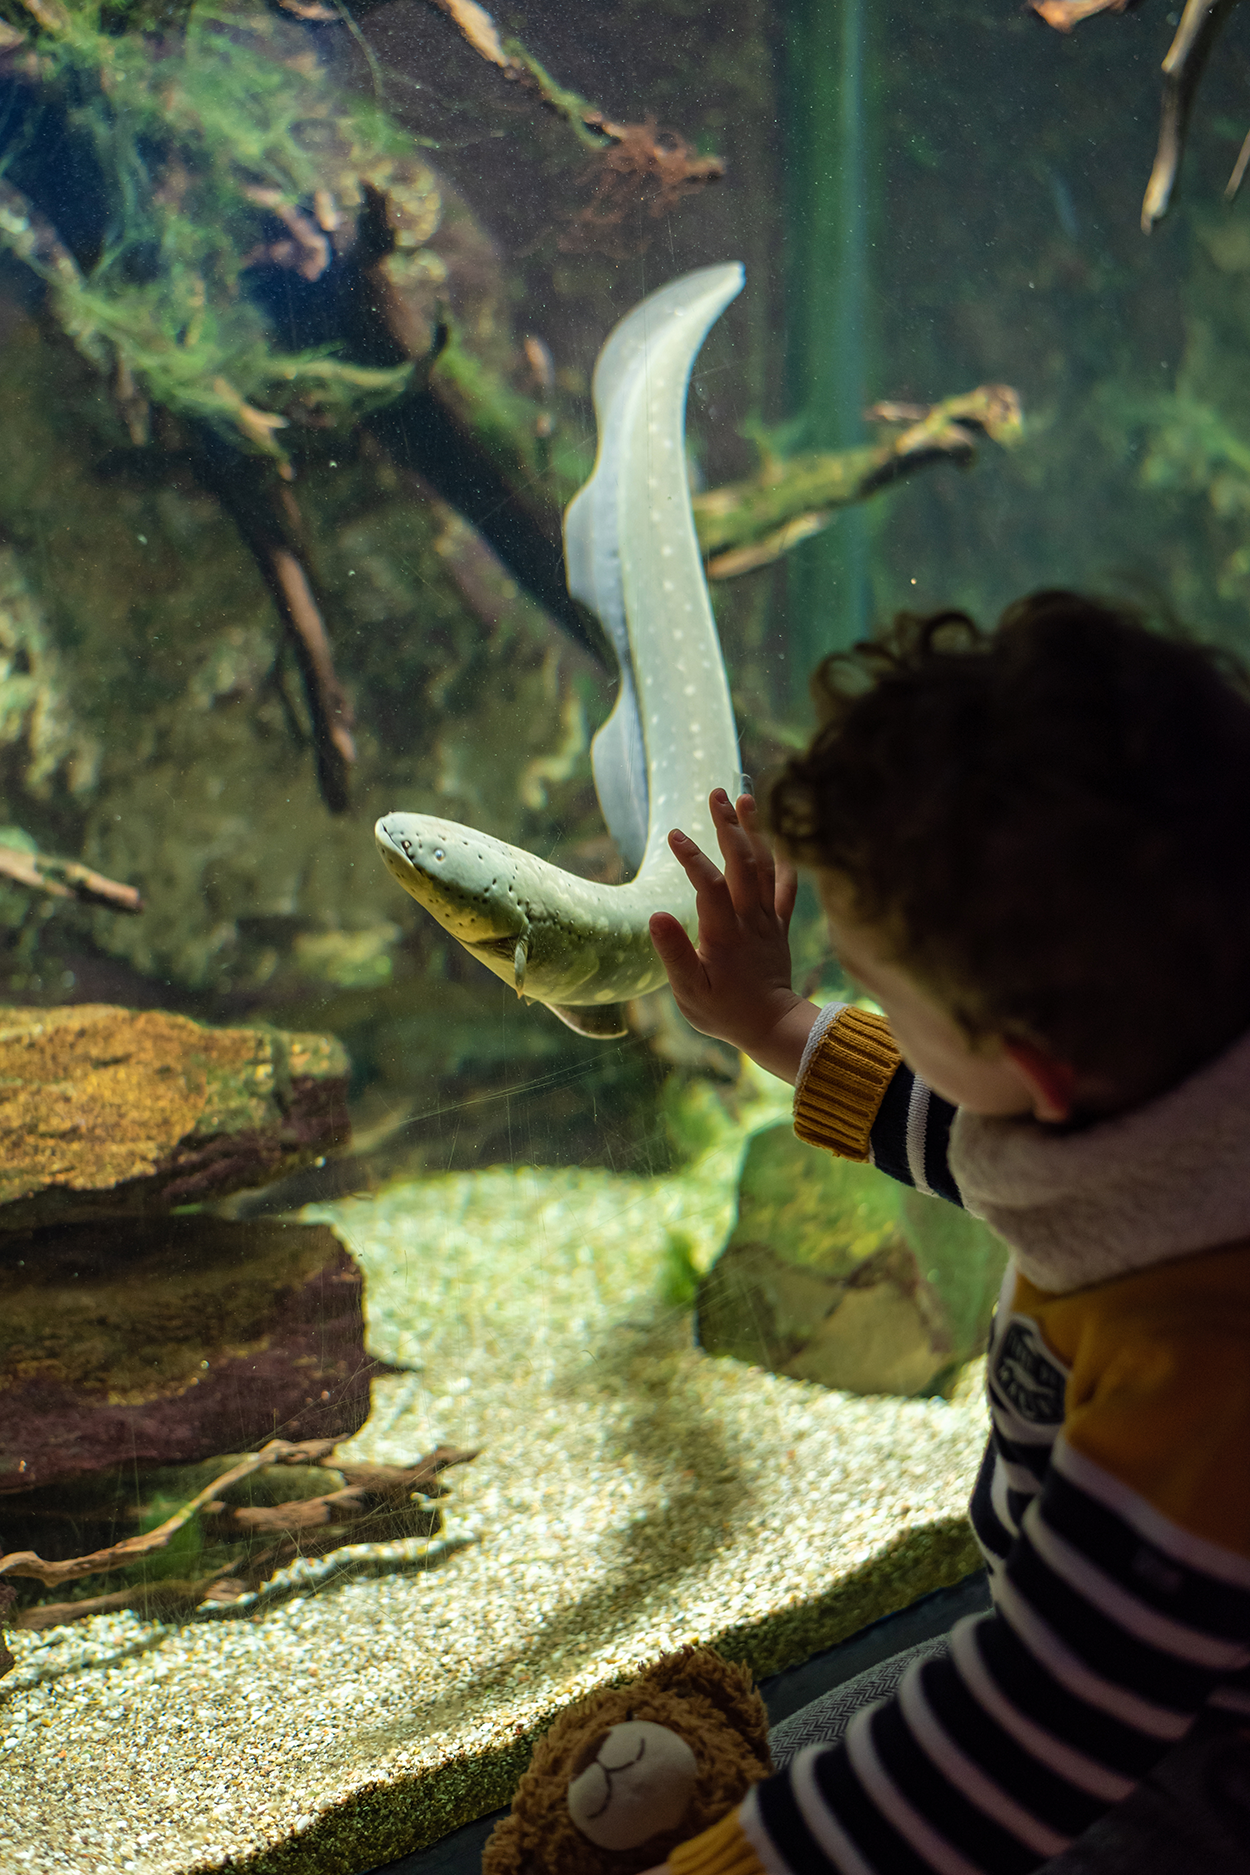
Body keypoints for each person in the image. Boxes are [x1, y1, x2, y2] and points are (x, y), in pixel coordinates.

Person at [642, 591, 1250, 1875]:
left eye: (881, 994)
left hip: (1190, 1755)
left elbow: (1039, 1726)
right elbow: (968, 1130)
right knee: (802, 1766)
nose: (868, 1008)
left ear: (1030, 1065)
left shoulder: (1203, 1353)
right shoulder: (1174, 1109)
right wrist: (774, 1022)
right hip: (1090, 1653)